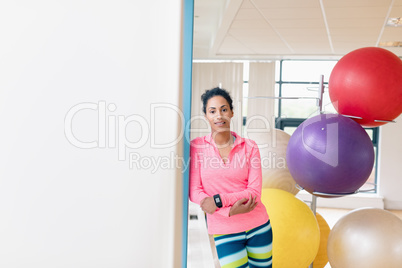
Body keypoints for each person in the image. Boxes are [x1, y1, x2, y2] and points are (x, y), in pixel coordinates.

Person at [189, 87, 273, 268]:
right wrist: (228, 211)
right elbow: (195, 191)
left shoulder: (250, 147)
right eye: (212, 111)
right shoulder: (197, 147)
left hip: (259, 226)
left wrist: (218, 200)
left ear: (232, 112)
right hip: (224, 230)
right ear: (206, 116)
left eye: (224, 109)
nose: (219, 115)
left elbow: (254, 194)